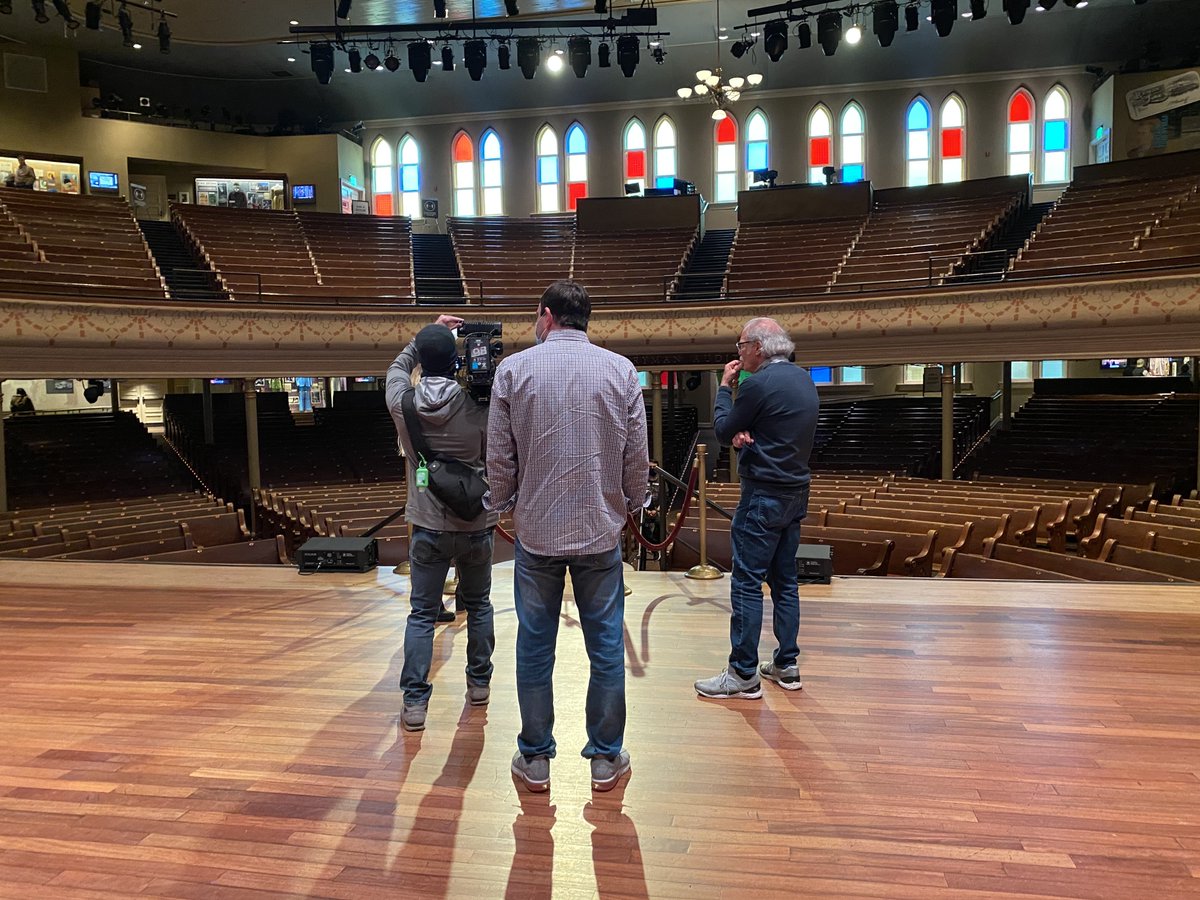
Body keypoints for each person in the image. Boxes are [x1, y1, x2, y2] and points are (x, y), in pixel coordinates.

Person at [487, 280, 648, 794]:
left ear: (547, 315)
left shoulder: (512, 370)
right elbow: (636, 457)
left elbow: (500, 455)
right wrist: (632, 502)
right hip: (601, 532)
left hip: (536, 532)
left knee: (535, 647)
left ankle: (535, 758)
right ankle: (605, 759)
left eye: (537, 316)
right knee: (606, 649)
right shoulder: (621, 370)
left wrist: (503, 503)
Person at [694, 317, 819, 700]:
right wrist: (750, 433)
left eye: (742, 345)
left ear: (760, 347)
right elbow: (776, 428)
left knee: (746, 581)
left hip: (762, 495)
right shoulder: (803, 379)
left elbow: (720, 430)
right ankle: (786, 664)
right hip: (795, 492)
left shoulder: (757, 383)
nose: (739, 352)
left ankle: (743, 673)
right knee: (785, 583)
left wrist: (726, 387)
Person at [385, 314, 496, 733]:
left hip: (427, 524)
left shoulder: (402, 401)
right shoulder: (479, 405)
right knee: (480, 604)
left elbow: (396, 368)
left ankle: (415, 703)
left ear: (422, 362)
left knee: (421, 614)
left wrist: (426, 335)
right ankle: (479, 684)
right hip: (475, 523)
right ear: (457, 362)